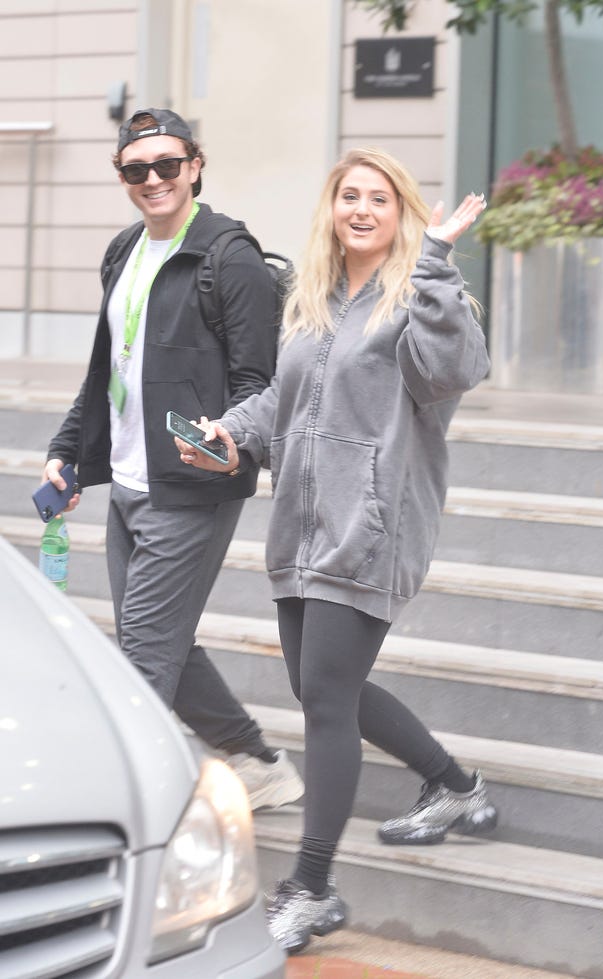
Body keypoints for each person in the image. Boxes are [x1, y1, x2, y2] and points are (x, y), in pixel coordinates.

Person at [174, 147, 497, 954]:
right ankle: (455, 785)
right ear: (331, 208)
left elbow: (455, 368)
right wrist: (230, 434)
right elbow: (283, 399)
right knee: (327, 690)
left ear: (402, 212)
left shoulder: (421, 296)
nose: (361, 209)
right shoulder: (313, 298)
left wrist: (436, 262)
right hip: (302, 522)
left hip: (371, 527)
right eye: (349, 195)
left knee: (324, 696)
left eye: (378, 198)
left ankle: (312, 887)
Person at [42, 107, 303, 811]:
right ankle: (257, 762)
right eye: (137, 168)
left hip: (193, 483)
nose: (153, 178)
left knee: (142, 657)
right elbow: (108, 370)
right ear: (122, 175)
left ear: (195, 166)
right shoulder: (125, 249)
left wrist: (230, 444)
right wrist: (68, 451)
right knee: (161, 639)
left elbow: (260, 383)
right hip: (130, 478)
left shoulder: (229, 257)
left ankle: (129, 810)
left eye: (167, 164)